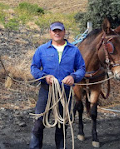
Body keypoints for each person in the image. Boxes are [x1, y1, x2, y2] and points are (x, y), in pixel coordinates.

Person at [29, 21, 86, 149]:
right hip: (46, 90)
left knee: (62, 125)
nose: (57, 33)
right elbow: (34, 68)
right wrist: (44, 76)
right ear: (50, 33)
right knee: (38, 123)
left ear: (64, 32)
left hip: (65, 92)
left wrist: (73, 77)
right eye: (54, 31)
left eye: (59, 30)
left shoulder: (74, 50)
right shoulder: (42, 49)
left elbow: (82, 68)